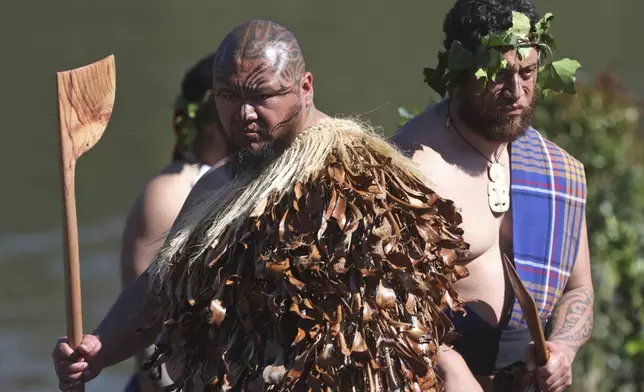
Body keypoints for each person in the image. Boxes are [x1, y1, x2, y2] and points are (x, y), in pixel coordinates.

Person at [53, 20, 470, 392]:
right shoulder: (216, 186)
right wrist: (99, 347)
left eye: (263, 95)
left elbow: (402, 327)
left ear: (305, 87)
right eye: (228, 96)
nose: (245, 113)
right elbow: (162, 288)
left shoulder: (362, 178)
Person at [390, 1, 594, 391]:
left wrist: (563, 348)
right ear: (461, 73)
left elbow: (579, 287)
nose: (516, 91)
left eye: (528, 71)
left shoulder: (558, 170)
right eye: (498, 75)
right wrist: (446, 363)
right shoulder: (410, 167)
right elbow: (371, 298)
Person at [118, 52, 229, 392]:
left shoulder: (254, 177)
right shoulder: (169, 195)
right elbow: (146, 331)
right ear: (211, 118)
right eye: (237, 99)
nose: (252, 112)